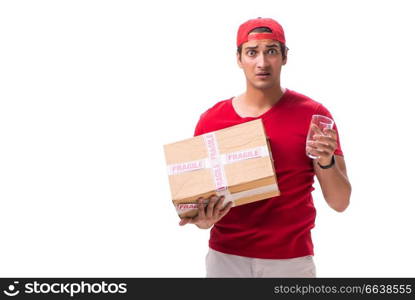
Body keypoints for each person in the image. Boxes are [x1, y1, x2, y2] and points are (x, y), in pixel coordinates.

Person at [179, 17, 352, 277]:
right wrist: (202, 221)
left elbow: (340, 202)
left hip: (291, 262)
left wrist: (325, 159)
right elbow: (198, 208)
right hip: (226, 259)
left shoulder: (314, 116)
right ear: (239, 59)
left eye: (271, 51)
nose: (262, 63)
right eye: (252, 52)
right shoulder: (211, 120)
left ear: (284, 57)